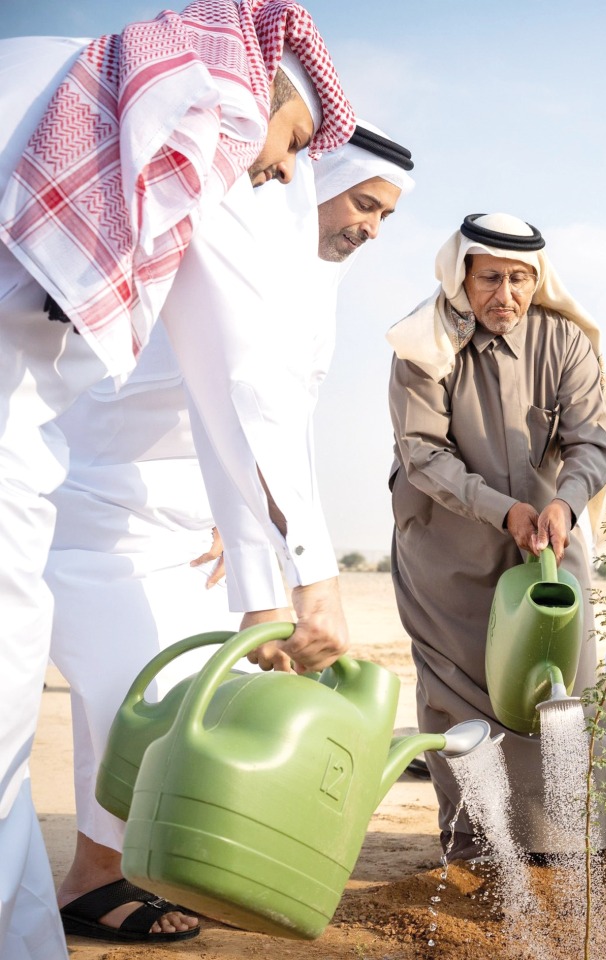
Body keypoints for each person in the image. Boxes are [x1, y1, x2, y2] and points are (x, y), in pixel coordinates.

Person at [0, 6, 357, 957]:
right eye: (291, 143)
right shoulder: (205, 112)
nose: (283, 168)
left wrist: (257, 581)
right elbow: (236, 375)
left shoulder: (67, 74)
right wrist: (307, 580)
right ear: (261, 89)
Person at [43, 121, 413, 944]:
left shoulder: (314, 281)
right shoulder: (226, 239)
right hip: (97, 510)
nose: (370, 228)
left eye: (386, 215)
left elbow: (281, 424)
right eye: (363, 203)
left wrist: (232, 515)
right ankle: (88, 883)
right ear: (309, 180)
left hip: (192, 524)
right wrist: (294, 572)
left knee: (199, 706)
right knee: (139, 697)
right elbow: (238, 395)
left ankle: (147, 866)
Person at [386, 213, 606, 860]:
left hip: (549, 537)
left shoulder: (565, 342)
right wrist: (503, 511)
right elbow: (423, 454)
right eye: (490, 277)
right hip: (446, 546)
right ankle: (474, 844)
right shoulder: (422, 343)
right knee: (460, 688)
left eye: (520, 278)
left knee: (562, 684)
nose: (507, 295)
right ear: (461, 275)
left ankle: (565, 841)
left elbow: (592, 441)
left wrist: (566, 503)